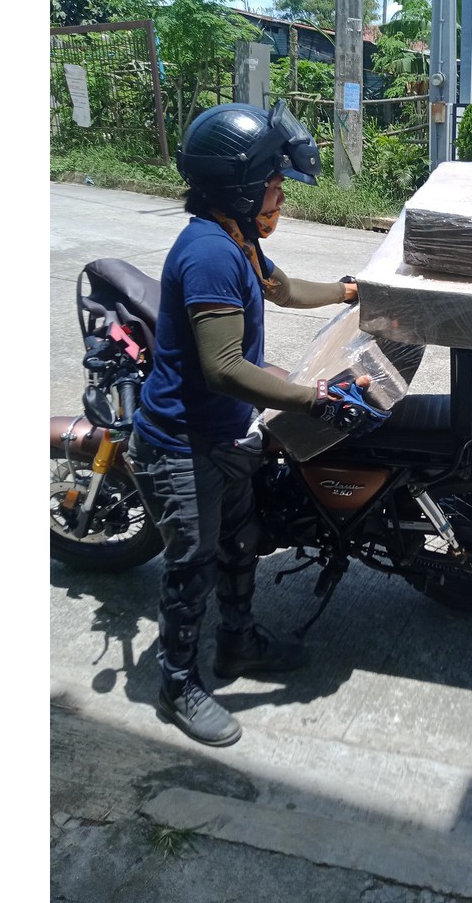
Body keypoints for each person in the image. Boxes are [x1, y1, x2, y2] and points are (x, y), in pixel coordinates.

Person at [126, 101, 390, 748]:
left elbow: (282, 289)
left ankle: (238, 642)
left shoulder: (236, 239)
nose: (281, 195)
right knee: (190, 567)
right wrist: (312, 399)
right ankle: (178, 684)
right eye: (274, 183)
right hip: (182, 445)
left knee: (240, 542)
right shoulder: (210, 255)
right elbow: (223, 368)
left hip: (224, 435)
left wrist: (348, 292)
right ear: (241, 188)